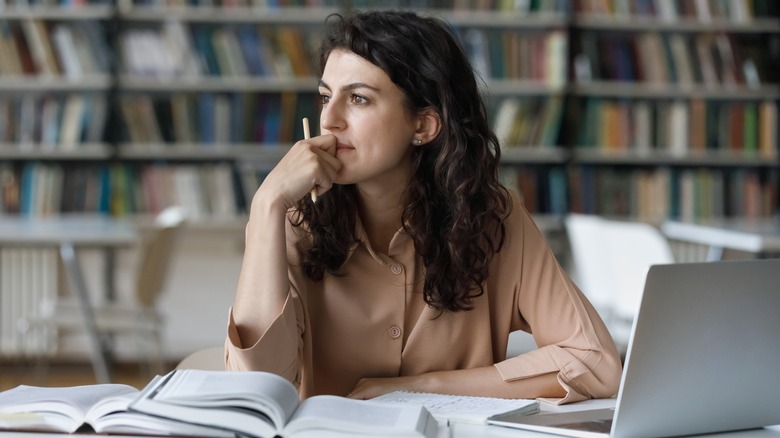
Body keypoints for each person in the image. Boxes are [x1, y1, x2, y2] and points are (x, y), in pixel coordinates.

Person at [225, 9, 621, 404]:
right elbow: (255, 390)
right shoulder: (295, 219)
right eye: (326, 96)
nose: (330, 120)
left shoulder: (493, 218)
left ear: (423, 125)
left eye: (358, 98)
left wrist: (422, 386)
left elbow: (597, 363)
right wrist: (266, 205)